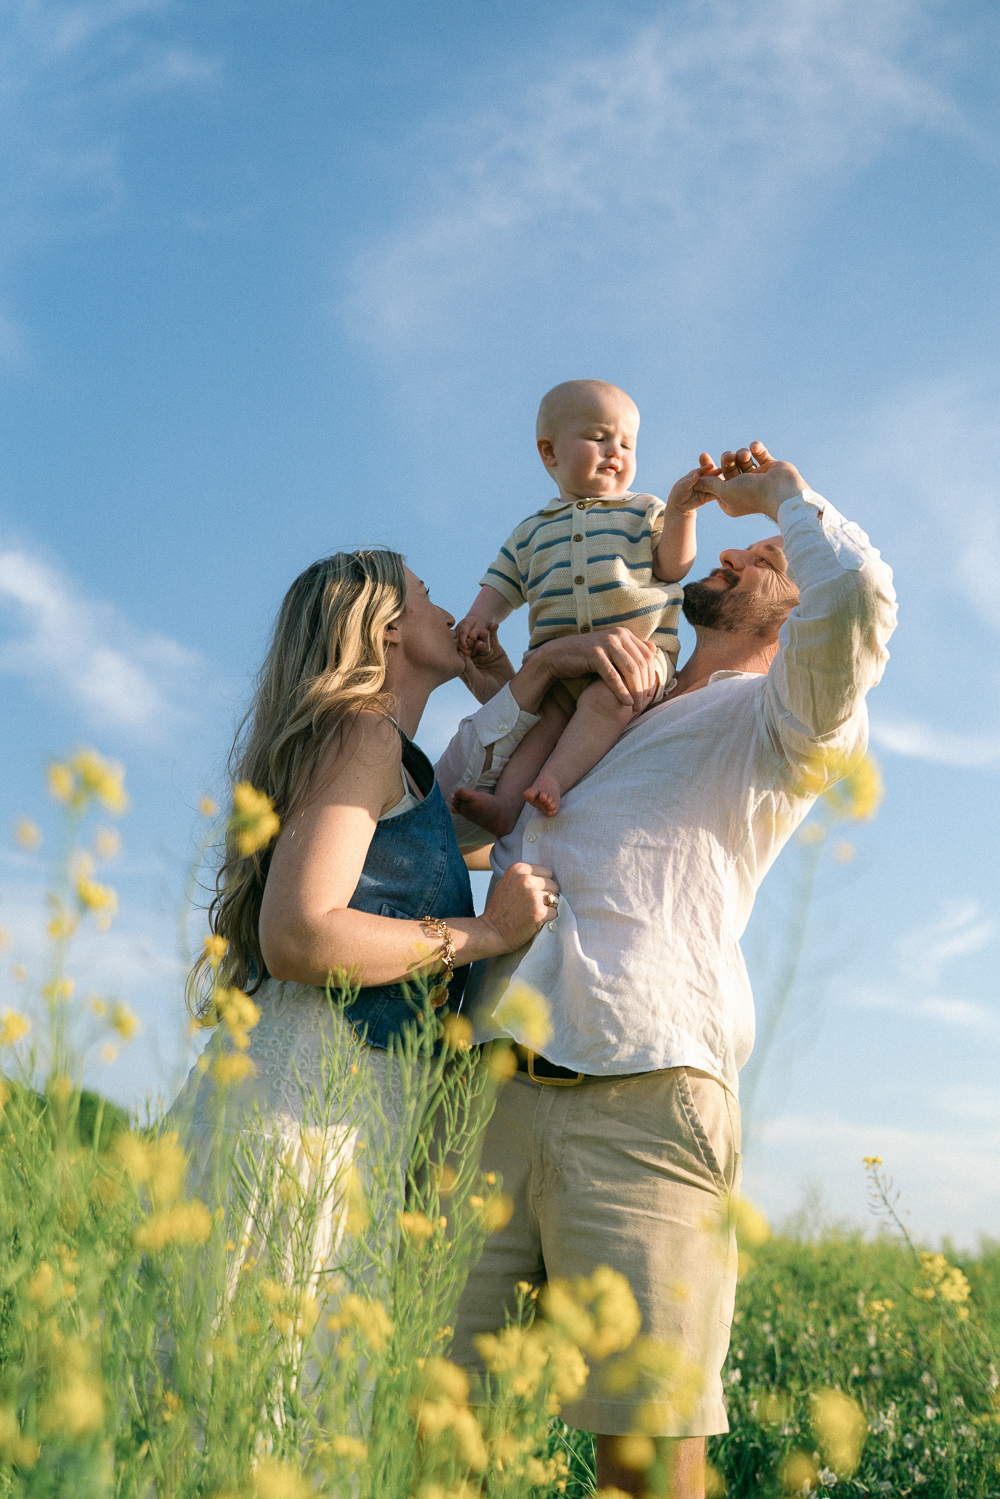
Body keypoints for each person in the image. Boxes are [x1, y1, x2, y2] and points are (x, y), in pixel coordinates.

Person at [448, 443, 898, 1499]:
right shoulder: (610, 694)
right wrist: (545, 671)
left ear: (787, 618)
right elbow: (453, 811)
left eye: (762, 558)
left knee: (645, 1461)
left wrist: (779, 497)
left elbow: (860, 594)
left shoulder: (780, 723)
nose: (737, 553)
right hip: (481, 1096)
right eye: (739, 543)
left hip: (645, 1099)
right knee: (435, 1436)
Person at [170, 548, 660, 1304]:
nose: (450, 612)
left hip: (352, 1097)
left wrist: (527, 670)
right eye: (429, 595)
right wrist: (486, 934)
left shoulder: (392, 759)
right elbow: (298, 935)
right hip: (304, 1087)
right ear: (389, 628)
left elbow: (500, 796)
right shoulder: (362, 735)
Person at [454, 379, 717, 833]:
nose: (616, 450)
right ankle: (505, 805)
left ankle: (553, 781)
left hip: (639, 657)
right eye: (599, 437)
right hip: (561, 664)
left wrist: (682, 513)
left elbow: (673, 567)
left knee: (606, 699)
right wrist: (481, 617)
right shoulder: (530, 531)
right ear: (549, 453)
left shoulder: (645, 510)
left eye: (628, 443)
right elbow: (502, 582)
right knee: (542, 721)